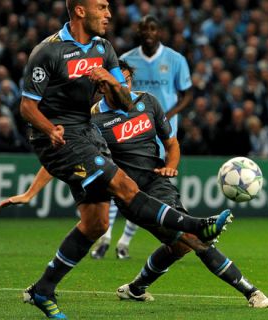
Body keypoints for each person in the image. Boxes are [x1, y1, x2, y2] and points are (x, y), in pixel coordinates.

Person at [0, 60, 268, 309]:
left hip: (159, 183)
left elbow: (172, 143)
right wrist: (30, 192)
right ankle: (251, 292)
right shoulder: (92, 119)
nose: (123, 86)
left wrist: (171, 165)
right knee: (194, 239)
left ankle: (136, 288)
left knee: (180, 246)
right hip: (130, 194)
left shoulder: (148, 102)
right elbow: (62, 156)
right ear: (104, 85)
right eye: (118, 81)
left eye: (126, 80)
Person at [16, 1, 230, 318]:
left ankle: (43, 290)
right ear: (79, 11)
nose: (109, 13)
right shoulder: (48, 52)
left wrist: (111, 82)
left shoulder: (104, 48)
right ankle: (196, 224)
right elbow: (27, 107)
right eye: (101, 7)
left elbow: (126, 103)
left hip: (86, 132)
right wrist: (51, 129)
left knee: (96, 224)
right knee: (124, 185)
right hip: (57, 136)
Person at [90, 15, 194, 259]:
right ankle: (106, 237)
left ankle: (124, 241)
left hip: (159, 126)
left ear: (160, 32)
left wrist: (166, 114)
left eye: (153, 28)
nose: (148, 32)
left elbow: (187, 94)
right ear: (138, 31)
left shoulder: (176, 60)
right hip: (126, 125)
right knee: (123, 181)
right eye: (144, 28)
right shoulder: (127, 59)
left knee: (146, 184)